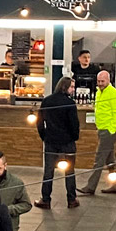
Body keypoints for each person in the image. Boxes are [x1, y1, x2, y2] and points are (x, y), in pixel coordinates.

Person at [35, 76, 81, 210]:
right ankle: (71, 199)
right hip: (67, 142)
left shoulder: (47, 101)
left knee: (48, 171)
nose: (73, 90)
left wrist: (44, 136)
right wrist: (74, 137)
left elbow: (39, 122)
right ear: (64, 87)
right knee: (70, 171)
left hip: (51, 141)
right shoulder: (70, 103)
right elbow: (74, 124)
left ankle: (45, 199)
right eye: (72, 87)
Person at [85, 69, 116, 196]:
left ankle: (90, 187)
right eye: (98, 81)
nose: (100, 83)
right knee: (110, 160)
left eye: (102, 81)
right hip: (102, 129)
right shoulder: (99, 92)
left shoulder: (115, 94)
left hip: (109, 131)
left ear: (108, 80)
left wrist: (111, 130)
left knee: (99, 159)